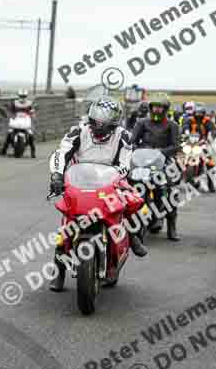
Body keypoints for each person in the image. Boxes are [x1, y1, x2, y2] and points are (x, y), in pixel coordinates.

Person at [48, 96, 148, 292]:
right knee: (66, 224)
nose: (98, 125)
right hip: (79, 180)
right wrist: (57, 176)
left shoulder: (124, 136)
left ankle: (133, 236)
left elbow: (124, 164)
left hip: (112, 180)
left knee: (134, 201)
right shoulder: (78, 131)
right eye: (96, 120)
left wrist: (114, 179)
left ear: (114, 122)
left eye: (104, 122)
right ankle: (58, 271)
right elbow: (61, 153)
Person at [130, 94, 182, 241]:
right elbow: (132, 141)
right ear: (150, 108)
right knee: (130, 182)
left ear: (165, 109)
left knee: (170, 189)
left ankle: (172, 226)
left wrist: (161, 152)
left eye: (160, 107)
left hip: (164, 159)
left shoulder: (172, 125)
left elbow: (176, 145)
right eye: (155, 107)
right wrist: (136, 149)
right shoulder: (142, 123)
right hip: (143, 159)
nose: (157, 110)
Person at [1, 89, 36, 158]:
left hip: (25, 121)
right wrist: (11, 116)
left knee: (31, 135)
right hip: (16, 120)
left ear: (26, 96)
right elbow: (10, 111)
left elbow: (32, 111)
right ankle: (4, 150)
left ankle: (33, 152)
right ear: (19, 96)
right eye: (21, 96)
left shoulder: (29, 103)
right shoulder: (14, 103)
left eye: (24, 96)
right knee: (9, 133)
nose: (22, 98)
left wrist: (33, 115)